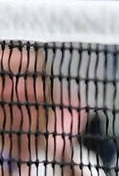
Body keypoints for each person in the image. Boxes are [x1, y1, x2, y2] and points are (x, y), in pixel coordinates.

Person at [0, 45, 104, 175]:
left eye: (29, 76)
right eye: (5, 76)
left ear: (47, 90)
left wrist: (64, 160)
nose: (18, 89)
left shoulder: (82, 163)